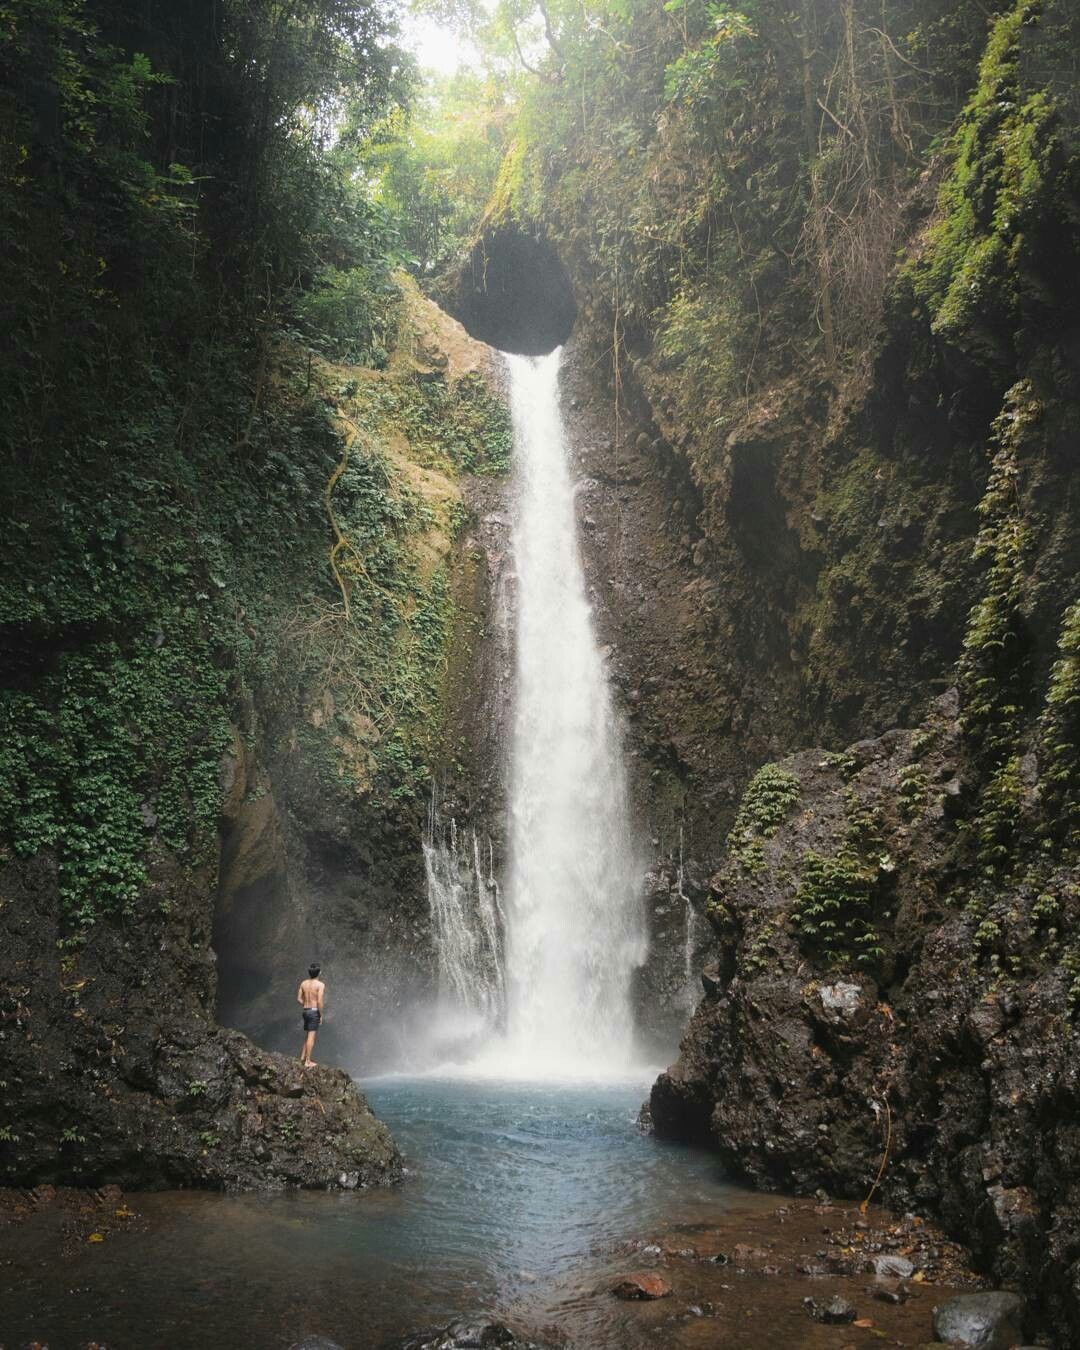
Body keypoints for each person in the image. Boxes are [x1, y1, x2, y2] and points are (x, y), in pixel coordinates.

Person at [297, 962, 325, 1069]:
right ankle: (308, 1061)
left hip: (305, 1010)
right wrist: (320, 1014)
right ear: (319, 973)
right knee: (311, 1037)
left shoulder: (303, 983)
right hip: (314, 1011)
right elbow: (320, 1001)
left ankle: (302, 1058)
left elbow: (299, 999)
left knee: (308, 1035)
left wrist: (306, 1004)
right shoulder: (320, 985)